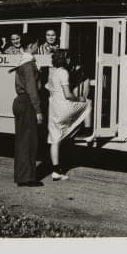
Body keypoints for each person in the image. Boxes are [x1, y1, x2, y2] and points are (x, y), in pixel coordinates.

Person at [45, 49, 90, 181]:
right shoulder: (64, 72)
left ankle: (56, 170)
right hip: (64, 106)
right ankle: (86, 129)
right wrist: (80, 98)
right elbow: (68, 95)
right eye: (68, 58)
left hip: (53, 107)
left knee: (55, 139)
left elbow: (49, 88)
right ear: (64, 59)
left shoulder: (53, 72)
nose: (70, 60)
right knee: (88, 103)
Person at [12, 47, 43, 187]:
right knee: (29, 141)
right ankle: (27, 178)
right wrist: (38, 110)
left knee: (22, 140)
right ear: (31, 45)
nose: (37, 46)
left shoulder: (22, 62)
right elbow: (32, 89)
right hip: (27, 103)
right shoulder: (29, 65)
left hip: (20, 101)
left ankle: (21, 176)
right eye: (36, 44)